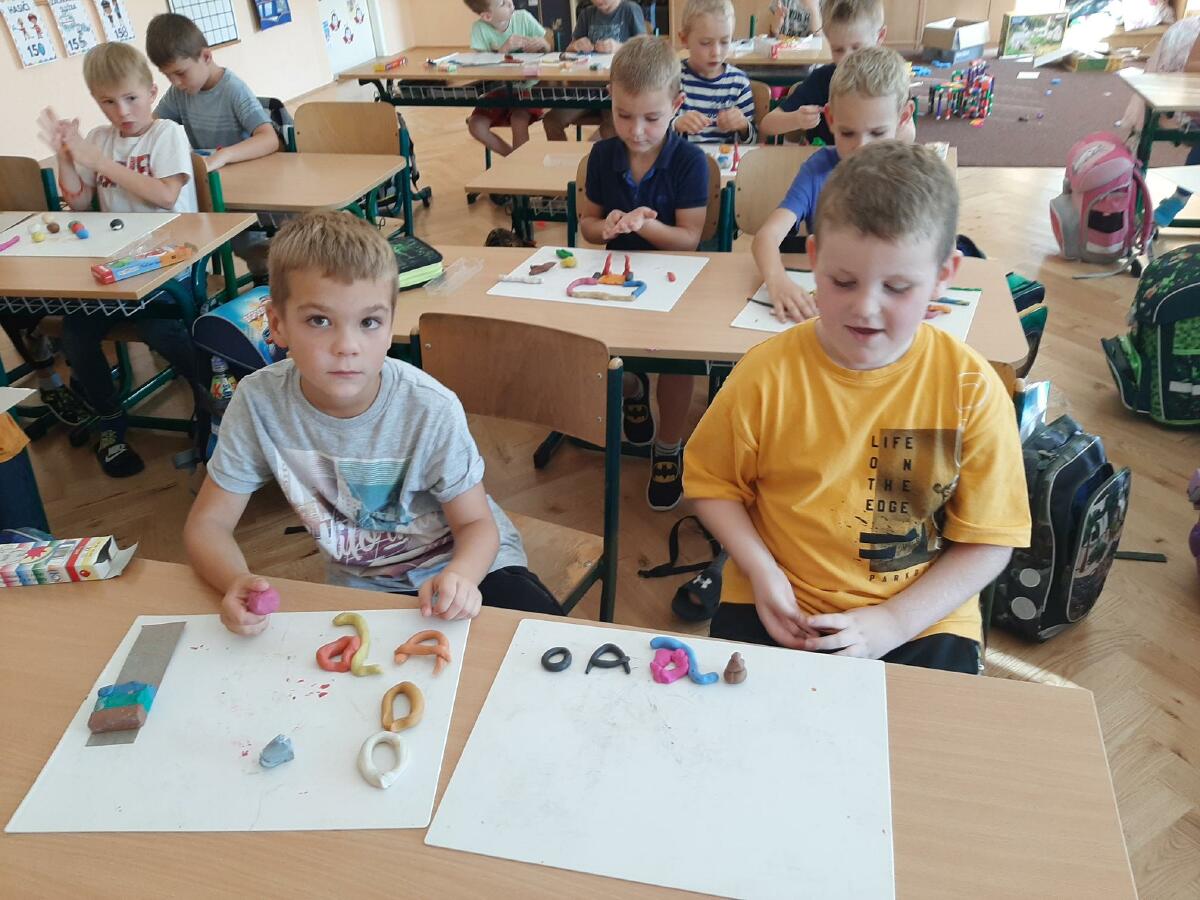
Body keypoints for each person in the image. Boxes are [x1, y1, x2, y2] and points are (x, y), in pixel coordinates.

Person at [685, 141, 1031, 674]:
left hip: (921, 617)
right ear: (815, 257)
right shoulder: (766, 372)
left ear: (945, 274)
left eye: (897, 287)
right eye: (843, 282)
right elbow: (712, 485)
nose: (865, 307)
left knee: (929, 727)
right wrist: (761, 571)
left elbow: (989, 541)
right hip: (779, 599)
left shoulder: (971, 389)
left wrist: (894, 621)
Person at [183, 211, 564, 636]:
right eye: (319, 321)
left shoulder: (429, 407)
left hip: (473, 567)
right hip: (365, 585)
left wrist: (461, 576)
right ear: (277, 325)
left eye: (369, 322)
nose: (347, 346)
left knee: (540, 645)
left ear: (389, 326)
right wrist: (234, 580)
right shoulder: (258, 403)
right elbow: (208, 525)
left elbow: (477, 525)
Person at [38, 41, 199, 477]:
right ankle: (109, 418)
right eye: (108, 102)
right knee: (75, 333)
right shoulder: (99, 139)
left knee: (159, 330)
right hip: (118, 271)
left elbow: (166, 196)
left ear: (151, 92)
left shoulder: (167, 134)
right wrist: (66, 156)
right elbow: (79, 201)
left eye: (131, 98)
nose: (122, 111)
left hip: (169, 266)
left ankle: (212, 396)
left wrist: (101, 163)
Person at [578, 35, 709, 511]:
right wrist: (607, 226)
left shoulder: (690, 162)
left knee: (676, 361)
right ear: (610, 99)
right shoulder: (602, 157)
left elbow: (689, 238)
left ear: (677, 105)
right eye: (623, 115)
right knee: (602, 350)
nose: (636, 131)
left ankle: (668, 446)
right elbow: (588, 224)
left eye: (652, 118)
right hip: (617, 279)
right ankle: (633, 389)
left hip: (677, 282)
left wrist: (643, 224)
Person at [752, 45, 912, 322]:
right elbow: (766, 237)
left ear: (903, 118)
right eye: (847, 133)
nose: (861, 147)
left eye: (877, 133)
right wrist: (777, 279)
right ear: (831, 119)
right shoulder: (817, 171)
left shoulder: (911, 176)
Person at [145, 13, 282, 280]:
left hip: (247, 191)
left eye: (180, 73)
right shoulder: (179, 93)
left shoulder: (232, 89)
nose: (175, 83)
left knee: (245, 242)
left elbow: (269, 138)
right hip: (210, 189)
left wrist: (225, 155)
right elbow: (154, 128)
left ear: (206, 57)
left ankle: (268, 273)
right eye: (167, 76)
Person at [759, 0, 914, 146]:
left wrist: (884, 131)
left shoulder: (889, 79)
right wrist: (797, 119)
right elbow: (767, 124)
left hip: (874, 161)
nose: (846, 59)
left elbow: (909, 134)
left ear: (879, 36)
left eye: (857, 48)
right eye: (838, 49)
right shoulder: (821, 80)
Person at [461, 0, 551, 161]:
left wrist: (543, 44)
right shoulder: (479, 28)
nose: (510, 3)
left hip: (528, 88)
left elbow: (549, 47)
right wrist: (503, 50)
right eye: (502, 3)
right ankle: (514, 160)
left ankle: (520, 164)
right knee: (476, 125)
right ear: (487, 16)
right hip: (497, 90)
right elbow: (480, 66)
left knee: (518, 119)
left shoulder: (523, 18)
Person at [544, 0, 647, 141]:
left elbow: (644, 49)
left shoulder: (630, 9)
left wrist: (619, 47)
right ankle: (567, 156)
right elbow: (569, 50)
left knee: (610, 128)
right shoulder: (587, 14)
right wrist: (576, 46)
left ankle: (602, 154)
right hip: (585, 92)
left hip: (617, 93)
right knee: (551, 121)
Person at [675, 0, 757, 144]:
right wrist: (676, 124)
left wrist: (743, 126)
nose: (716, 52)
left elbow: (752, 142)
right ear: (684, 39)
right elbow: (654, 135)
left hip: (724, 157)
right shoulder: (673, 78)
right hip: (682, 155)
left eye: (725, 42)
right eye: (706, 43)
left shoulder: (738, 83)